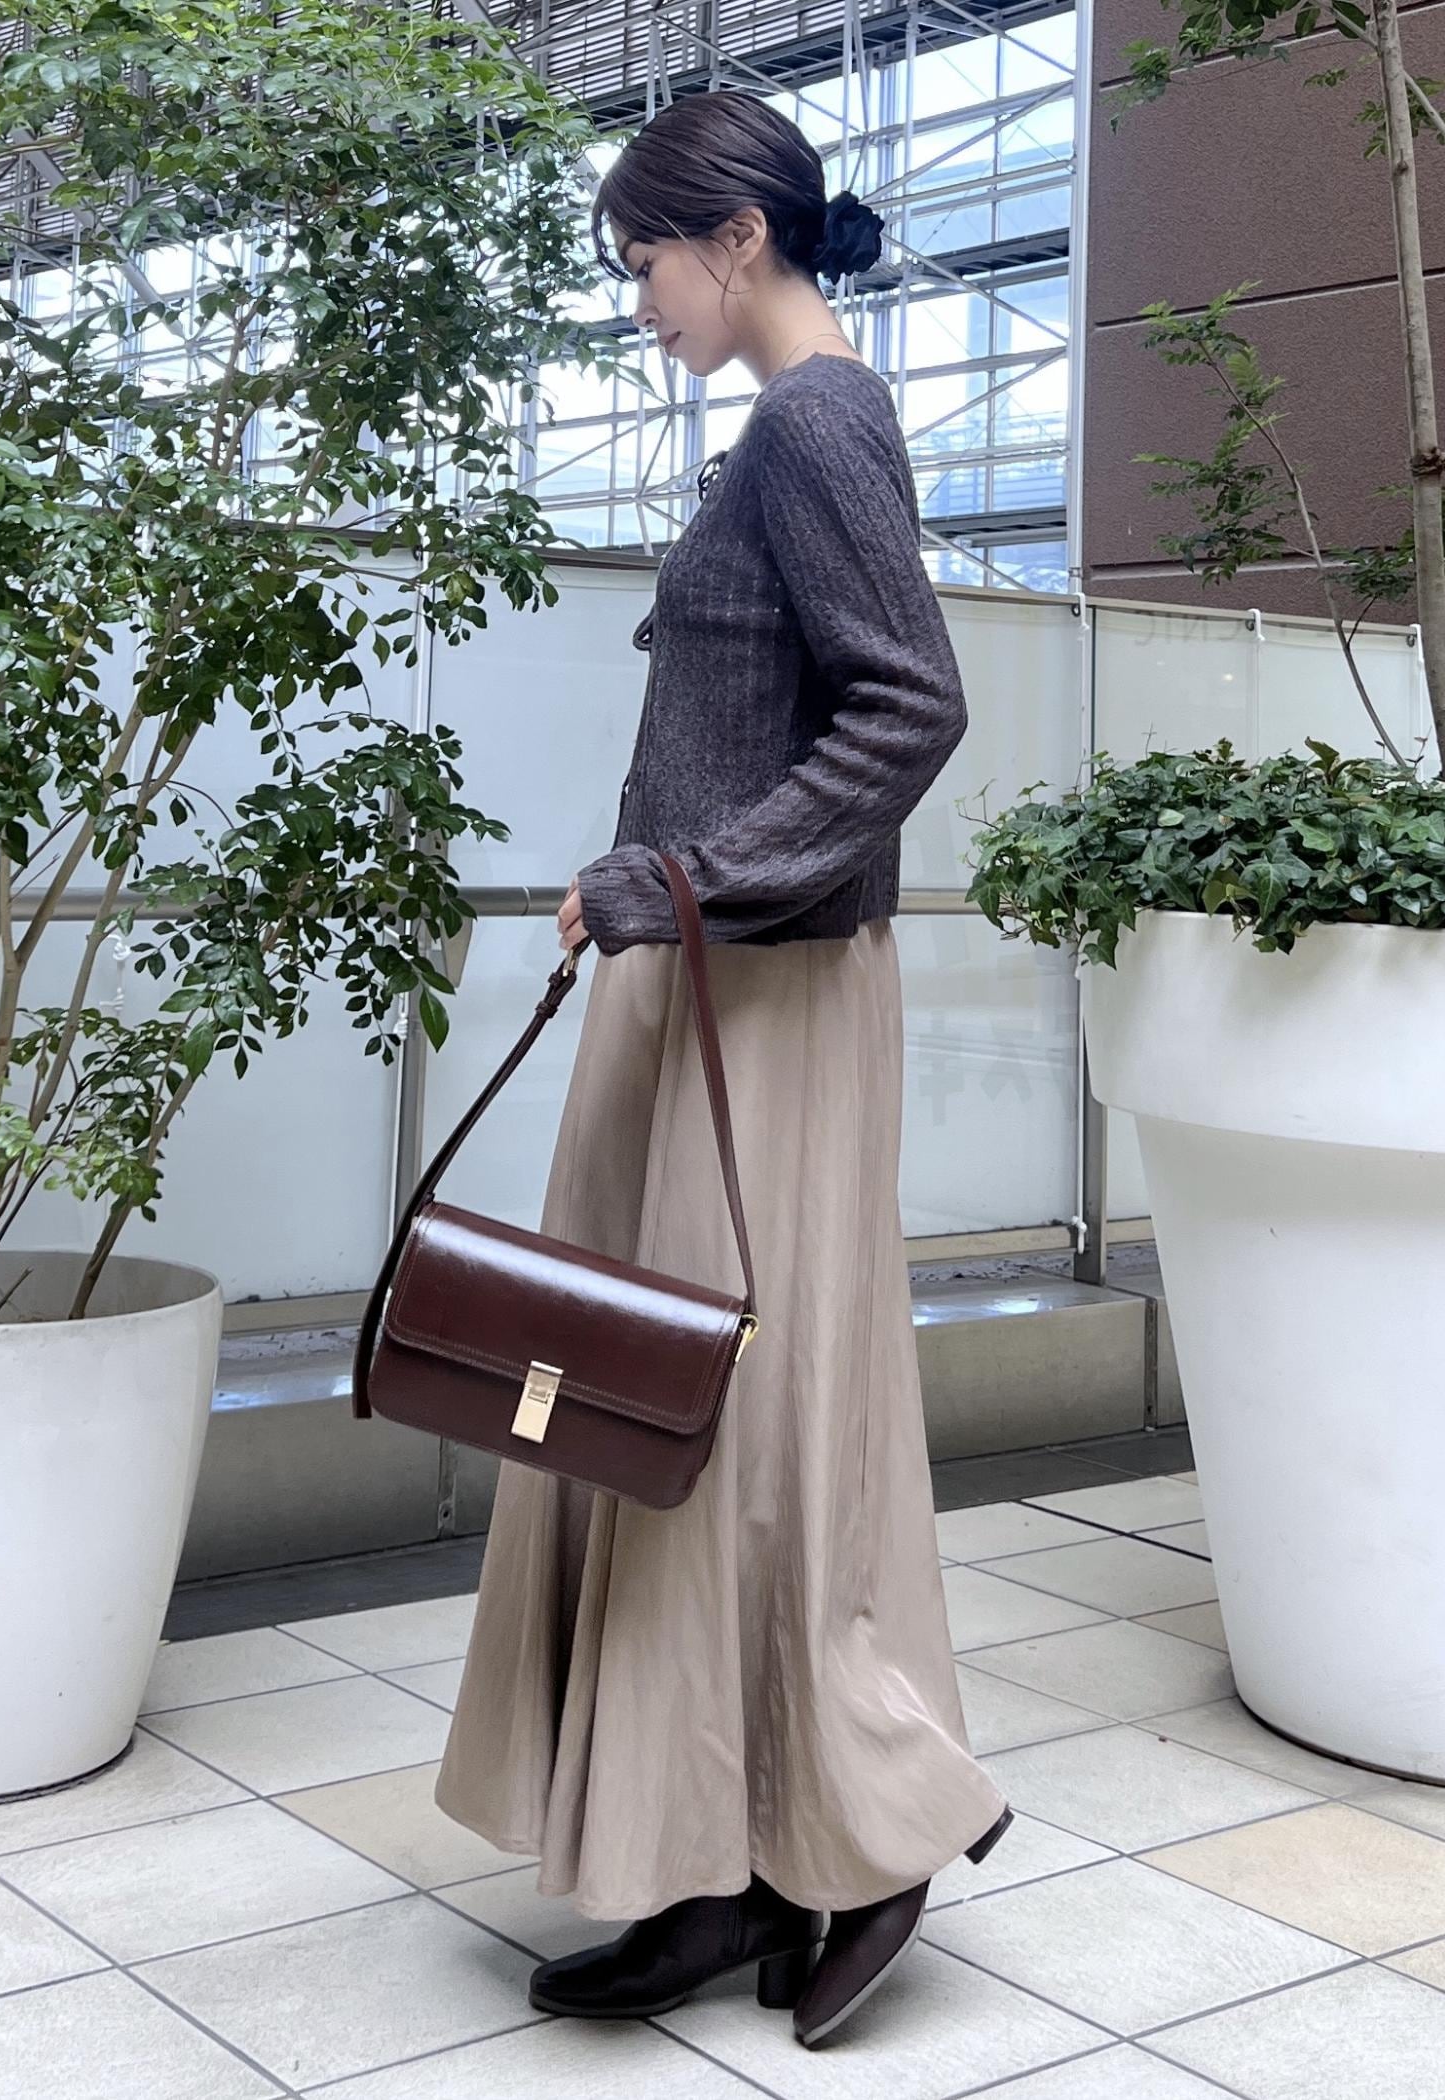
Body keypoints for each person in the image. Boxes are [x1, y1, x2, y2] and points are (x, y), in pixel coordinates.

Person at [433, 86, 1012, 2051]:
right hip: (711, 984)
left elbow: (910, 705)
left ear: (736, 238)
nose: (642, 305)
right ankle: (709, 1859)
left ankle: (865, 1834)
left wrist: (682, 880)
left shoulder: (818, 421)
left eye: (647, 265)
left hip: (760, 993)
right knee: (664, 1418)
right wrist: (669, 899)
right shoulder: (792, 426)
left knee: (741, 1423)